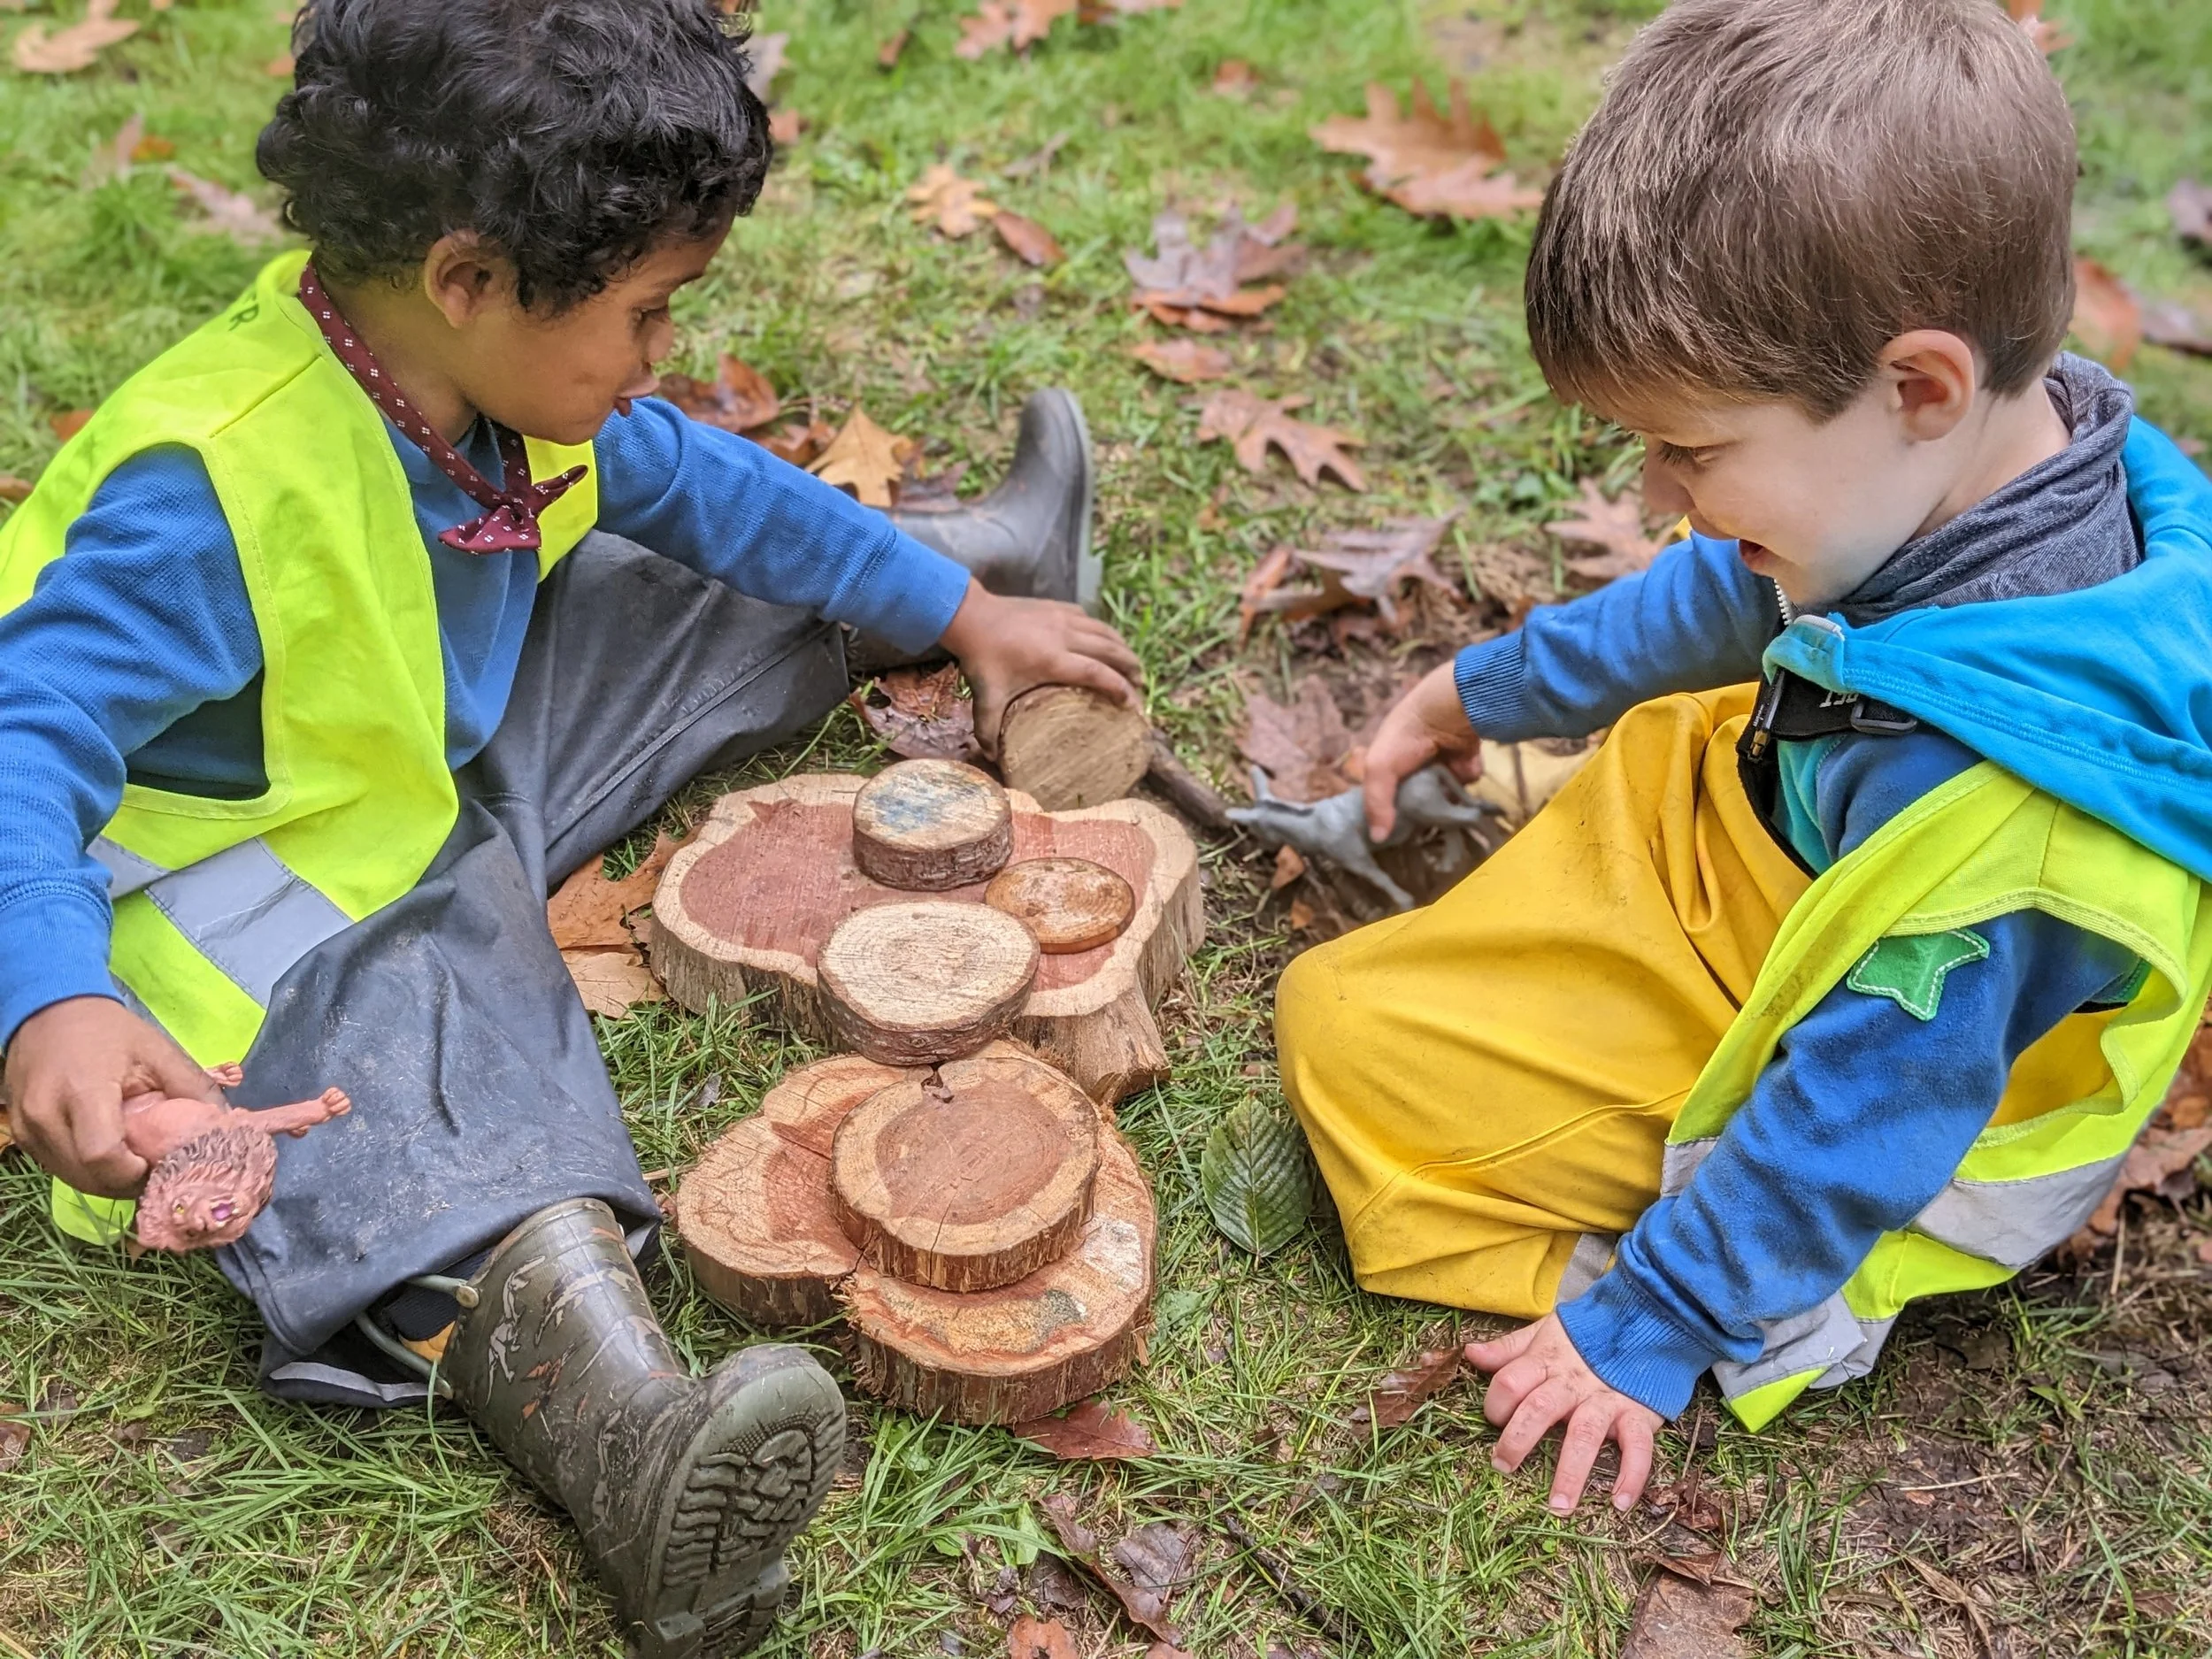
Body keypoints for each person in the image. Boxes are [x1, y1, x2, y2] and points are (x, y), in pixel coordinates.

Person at [0, 1, 1138, 1653]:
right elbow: (20, 731)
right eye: (647, 311)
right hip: (254, 905)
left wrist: (954, 605)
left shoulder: (488, 387)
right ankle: (627, 1431)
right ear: (469, 278)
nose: (662, 348)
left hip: (431, 759)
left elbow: (692, 480)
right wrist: (51, 990)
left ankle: (1001, 571)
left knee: (675, 546)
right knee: (431, 1084)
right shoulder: (211, 492)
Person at [1278, 0, 2212, 1520]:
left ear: (1917, 384)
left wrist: (1649, 1325)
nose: (1662, 496)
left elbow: (1868, 1106)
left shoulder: (2004, 822)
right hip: (1803, 889)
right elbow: (1731, 588)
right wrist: (1482, 689)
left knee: (1342, 1030)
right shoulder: (1949, 472)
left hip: (1890, 1088)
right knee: (1653, 739)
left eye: (1690, 451)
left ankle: (1738, 1290)